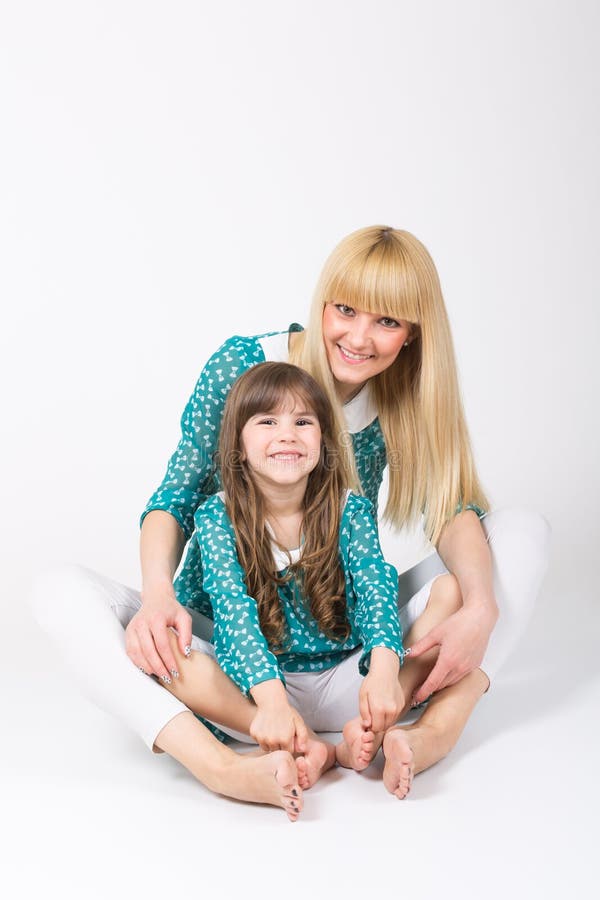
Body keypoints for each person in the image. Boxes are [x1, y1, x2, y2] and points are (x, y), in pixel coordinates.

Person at [30, 225, 550, 804]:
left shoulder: (396, 407)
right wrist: (157, 596)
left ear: (413, 334)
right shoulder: (245, 375)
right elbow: (175, 501)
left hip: (342, 645)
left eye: (387, 321)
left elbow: (433, 525)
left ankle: (432, 731)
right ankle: (225, 767)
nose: (359, 337)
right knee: (60, 593)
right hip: (237, 669)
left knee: (523, 534)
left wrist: (480, 607)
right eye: (346, 310)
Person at [156, 360, 469, 800]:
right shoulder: (217, 517)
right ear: (238, 445)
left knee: (451, 592)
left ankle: (365, 728)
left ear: (323, 440)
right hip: (256, 696)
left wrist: (382, 675)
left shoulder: (348, 508)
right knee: (163, 648)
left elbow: (375, 590)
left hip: (350, 683)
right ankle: (316, 747)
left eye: (303, 422)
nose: (287, 434)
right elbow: (234, 616)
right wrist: (270, 704)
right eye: (267, 421)